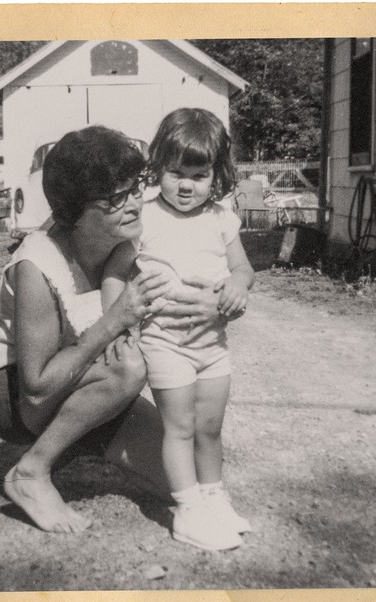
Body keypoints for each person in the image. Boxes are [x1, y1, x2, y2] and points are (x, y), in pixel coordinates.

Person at [0, 125, 225, 534]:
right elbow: (37, 387)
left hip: (82, 373)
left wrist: (219, 305)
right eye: (115, 199)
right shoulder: (38, 267)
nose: (135, 203)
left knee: (186, 477)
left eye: (134, 188)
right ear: (74, 213)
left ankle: (88, 433)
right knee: (129, 368)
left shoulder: (132, 232)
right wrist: (115, 320)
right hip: (7, 391)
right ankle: (31, 472)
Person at [101, 108, 255, 551]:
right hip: (164, 341)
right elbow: (115, 271)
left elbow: (243, 268)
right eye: (175, 172)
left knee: (210, 426)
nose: (186, 185)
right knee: (180, 427)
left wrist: (237, 286)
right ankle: (187, 509)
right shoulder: (145, 218)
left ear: (216, 175)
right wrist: (118, 323)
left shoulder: (221, 218)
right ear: (158, 169)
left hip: (212, 343)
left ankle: (214, 497)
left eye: (199, 175)